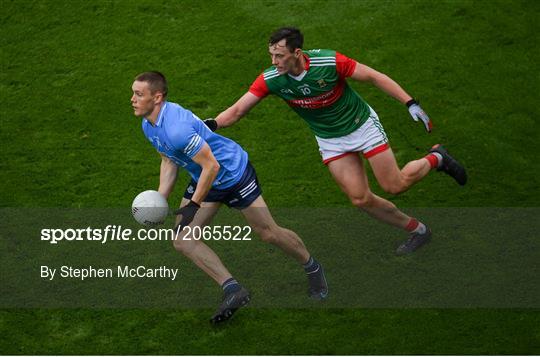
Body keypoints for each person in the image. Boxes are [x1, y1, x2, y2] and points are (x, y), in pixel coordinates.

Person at [207, 27, 467, 255]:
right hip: (331, 140)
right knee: (360, 199)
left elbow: (373, 76)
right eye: (271, 55)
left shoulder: (329, 62)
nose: (274, 61)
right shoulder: (272, 79)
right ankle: (418, 230)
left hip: (361, 126)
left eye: (279, 55)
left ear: (297, 53)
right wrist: (212, 125)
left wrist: (410, 103)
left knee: (394, 185)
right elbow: (238, 110)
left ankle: (437, 158)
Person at [130, 71, 328, 324]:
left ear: (157, 97)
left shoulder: (176, 128)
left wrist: (193, 205)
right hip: (206, 177)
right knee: (183, 240)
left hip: (234, 174)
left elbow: (212, 166)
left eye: (138, 94)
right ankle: (233, 289)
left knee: (268, 232)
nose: (133, 99)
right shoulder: (149, 124)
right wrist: (160, 199)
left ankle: (312, 266)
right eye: (133, 93)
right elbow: (169, 159)